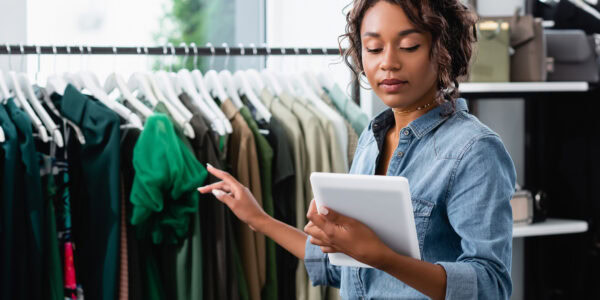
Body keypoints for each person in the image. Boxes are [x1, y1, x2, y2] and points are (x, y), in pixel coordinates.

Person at [198, 0, 516, 299]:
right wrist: (258, 219)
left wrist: (383, 257)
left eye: (409, 46)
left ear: (443, 48)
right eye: (373, 48)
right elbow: (346, 268)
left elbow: (490, 285)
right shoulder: (371, 137)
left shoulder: (474, 150)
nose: (388, 63)